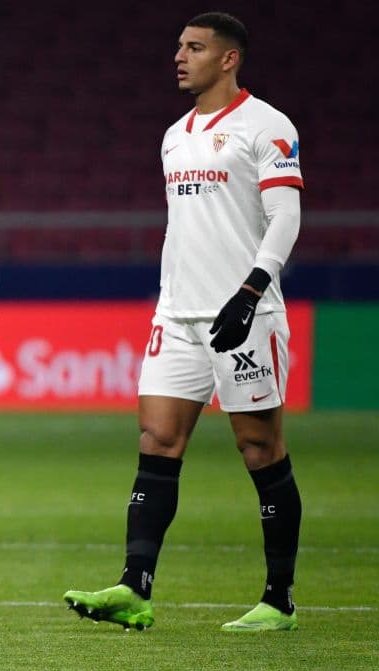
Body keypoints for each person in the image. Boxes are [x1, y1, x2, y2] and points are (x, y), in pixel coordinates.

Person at [63, 12, 303, 632]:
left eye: (194, 47)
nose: (179, 56)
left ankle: (279, 600)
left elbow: (285, 216)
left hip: (245, 313)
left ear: (229, 59)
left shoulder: (268, 125)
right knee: (157, 441)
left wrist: (252, 289)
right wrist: (170, 297)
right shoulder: (174, 135)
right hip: (177, 314)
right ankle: (134, 586)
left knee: (259, 448)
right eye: (179, 46)